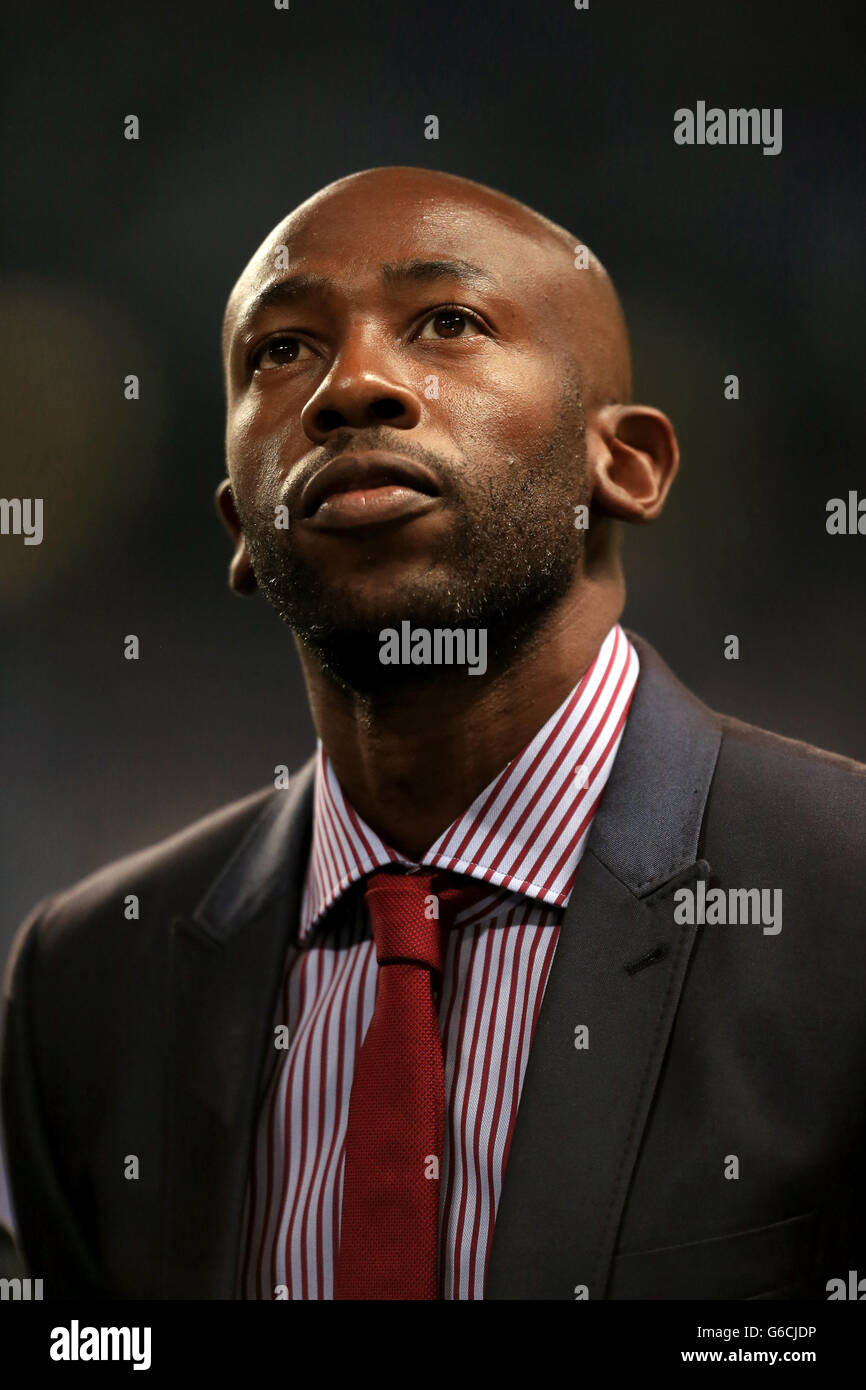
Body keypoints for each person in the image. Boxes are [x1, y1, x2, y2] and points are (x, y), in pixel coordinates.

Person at [3, 167, 865, 1301]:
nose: (350, 385)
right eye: (281, 350)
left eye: (446, 322)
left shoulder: (842, 901)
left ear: (629, 465)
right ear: (238, 527)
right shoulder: (85, 975)